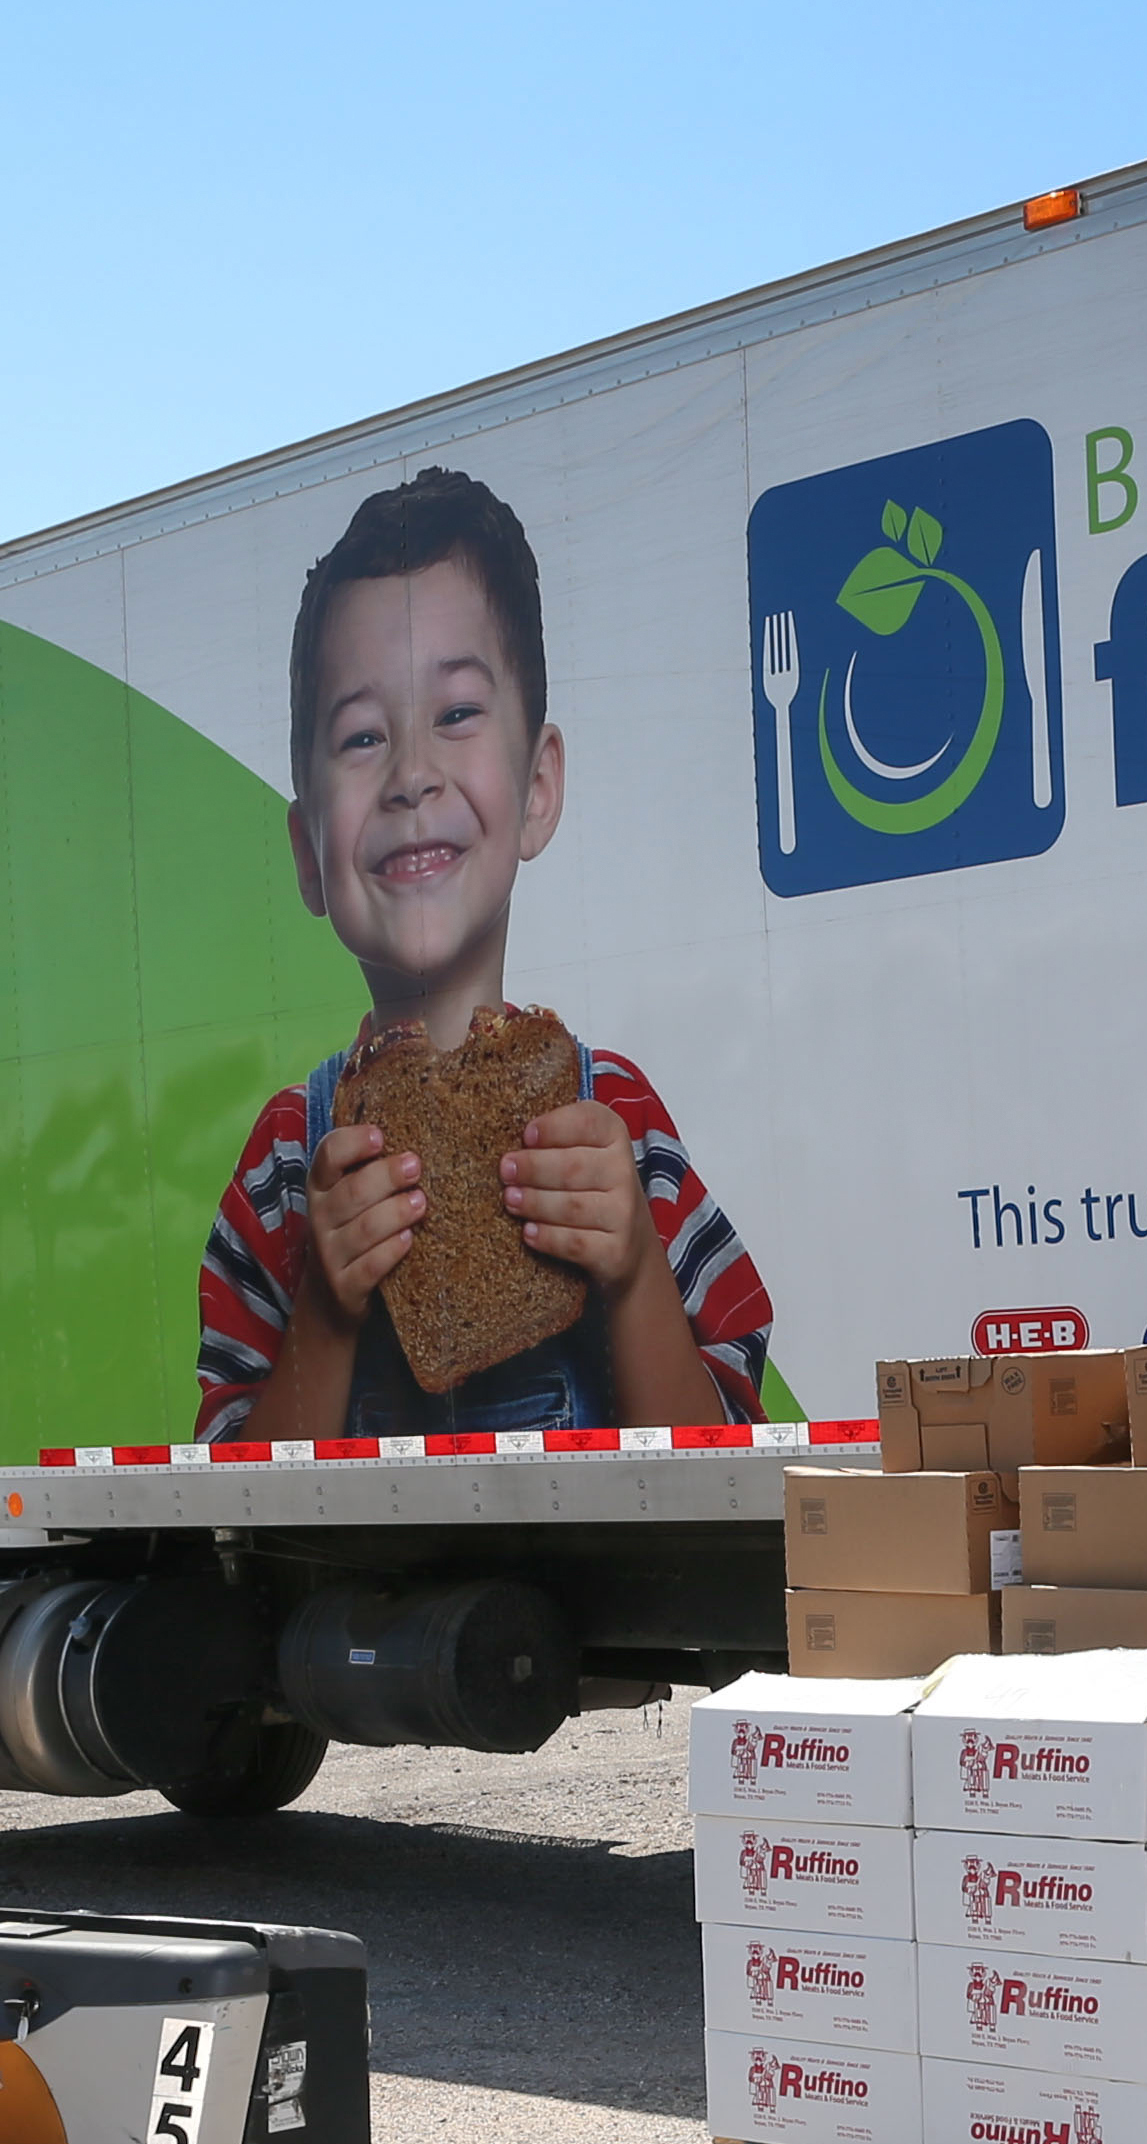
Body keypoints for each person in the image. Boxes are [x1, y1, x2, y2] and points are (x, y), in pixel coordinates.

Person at [194, 465, 773, 1443]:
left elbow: (722, 1461)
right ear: (307, 854)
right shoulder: (285, 1169)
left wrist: (631, 1271)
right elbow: (242, 1508)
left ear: (538, 786)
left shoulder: (618, 1124)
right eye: (364, 735)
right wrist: (329, 1315)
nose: (413, 775)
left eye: (457, 714)